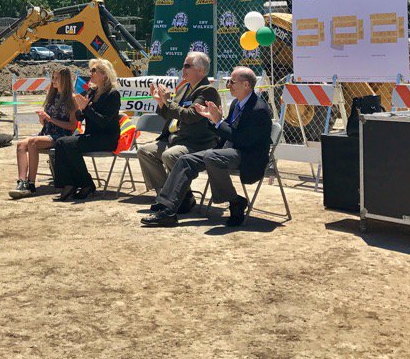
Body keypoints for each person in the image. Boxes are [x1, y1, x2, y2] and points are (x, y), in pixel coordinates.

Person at [141, 66, 272, 228]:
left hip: (249, 156)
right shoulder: (236, 104)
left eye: (231, 81)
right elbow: (227, 133)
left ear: (246, 85)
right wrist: (212, 120)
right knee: (185, 160)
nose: (228, 85)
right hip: (229, 151)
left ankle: (235, 201)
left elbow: (243, 140)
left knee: (212, 157)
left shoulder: (259, 109)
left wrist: (218, 122)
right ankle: (168, 209)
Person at [136, 51, 220, 211]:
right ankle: (166, 196)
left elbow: (190, 116)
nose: (183, 69)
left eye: (187, 66)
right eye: (183, 65)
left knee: (170, 155)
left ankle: (178, 197)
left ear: (201, 71)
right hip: (176, 139)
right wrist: (161, 103)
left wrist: (168, 102)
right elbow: (170, 114)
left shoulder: (207, 91)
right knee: (144, 151)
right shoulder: (184, 89)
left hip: (196, 143)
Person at [51, 58, 121, 201]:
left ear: (104, 74)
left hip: (105, 138)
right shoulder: (92, 91)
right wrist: (79, 109)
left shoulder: (112, 94)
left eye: (94, 70)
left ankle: (86, 184)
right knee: (60, 142)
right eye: (91, 70)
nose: (91, 73)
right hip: (91, 136)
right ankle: (68, 184)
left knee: (70, 145)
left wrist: (86, 108)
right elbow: (81, 118)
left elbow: (103, 122)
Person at [8, 68, 78, 199]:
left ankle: (31, 184)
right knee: (20, 145)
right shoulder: (51, 96)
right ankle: (22, 181)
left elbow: (72, 126)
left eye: (57, 78)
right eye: (53, 78)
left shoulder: (72, 99)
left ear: (65, 80)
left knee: (33, 142)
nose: (54, 81)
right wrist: (43, 120)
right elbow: (47, 124)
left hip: (62, 135)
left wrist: (51, 119)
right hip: (48, 132)